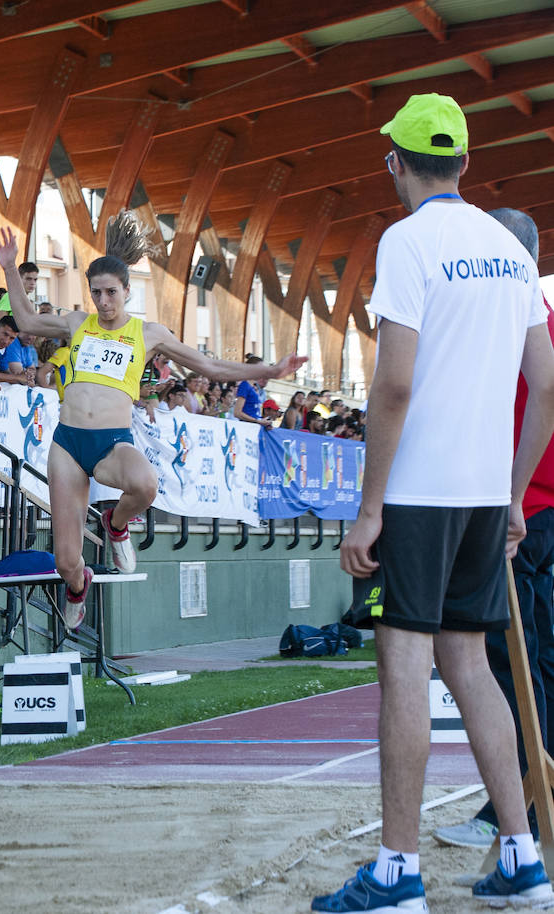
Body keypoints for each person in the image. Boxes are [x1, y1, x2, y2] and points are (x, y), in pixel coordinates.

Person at [314, 97, 554, 913]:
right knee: (472, 666)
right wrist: (515, 491)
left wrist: (370, 507)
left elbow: (395, 384)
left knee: (404, 673)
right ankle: (521, 857)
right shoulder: (510, 248)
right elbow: (548, 386)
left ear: (396, 163)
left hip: (419, 493)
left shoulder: (407, 240)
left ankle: (396, 871)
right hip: (486, 494)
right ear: (464, 162)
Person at [0, 214, 304, 626]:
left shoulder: (148, 333)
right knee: (67, 560)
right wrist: (11, 268)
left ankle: (116, 524)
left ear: (127, 292)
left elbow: (209, 366)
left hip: (111, 441)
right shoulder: (76, 323)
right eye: (96, 293)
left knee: (146, 485)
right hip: (67, 445)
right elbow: (29, 321)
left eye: (111, 293)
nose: (103, 302)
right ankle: (76, 586)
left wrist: (267, 371)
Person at [434, 208, 554, 853]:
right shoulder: (534, 320)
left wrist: (509, 498)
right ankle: (532, 797)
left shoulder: (508, 321)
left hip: (518, 514)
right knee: (539, 660)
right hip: (536, 510)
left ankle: (517, 811)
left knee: (512, 666)